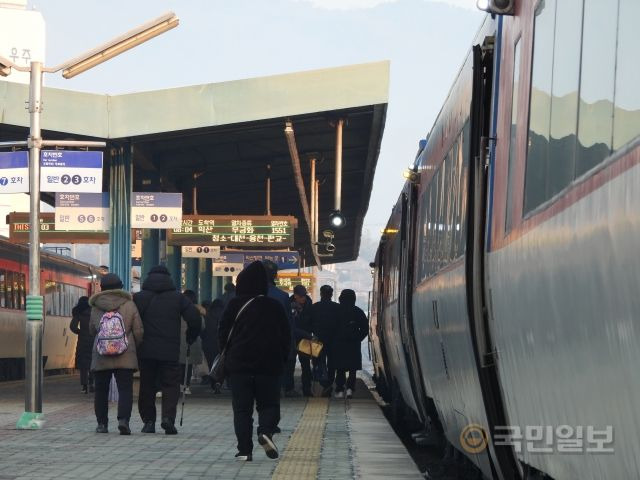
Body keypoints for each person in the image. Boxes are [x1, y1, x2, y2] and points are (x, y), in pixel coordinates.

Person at [218, 261, 290, 461]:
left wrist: (228, 356)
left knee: (242, 410)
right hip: (269, 366)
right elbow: (286, 336)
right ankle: (265, 431)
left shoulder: (234, 304)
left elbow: (222, 333)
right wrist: (283, 360)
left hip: (239, 366)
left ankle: (244, 451)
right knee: (269, 405)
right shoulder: (275, 306)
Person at [133, 265, 201, 435]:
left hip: (145, 351)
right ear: (169, 279)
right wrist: (191, 335)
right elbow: (194, 318)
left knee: (147, 386)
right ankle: (168, 419)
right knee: (171, 385)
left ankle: (149, 422)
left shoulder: (139, 298)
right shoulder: (178, 298)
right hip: (170, 351)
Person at [89, 273, 143, 435]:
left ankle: (102, 424)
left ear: (102, 288)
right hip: (125, 353)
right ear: (120, 287)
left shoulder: (96, 306)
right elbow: (139, 331)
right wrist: (133, 346)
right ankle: (123, 421)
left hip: (102, 354)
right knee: (125, 389)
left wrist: (103, 340)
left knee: (101, 391)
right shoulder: (129, 304)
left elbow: (92, 330)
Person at [262, 260, 299, 398]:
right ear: (275, 276)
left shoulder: (245, 294)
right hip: (274, 343)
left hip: (250, 344)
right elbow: (288, 324)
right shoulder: (282, 297)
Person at [331, 289, 369, 399]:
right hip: (353, 345)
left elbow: (330, 328)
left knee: (340, 368)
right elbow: (365, 329)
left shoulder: (336, 311)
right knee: (352, 369)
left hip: (338, 345)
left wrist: (334, 339)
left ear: (341, 298)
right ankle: (350, 389)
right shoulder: (358, 312)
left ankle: (339, 389)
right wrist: (357, 338)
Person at [310, 285, 341, 396]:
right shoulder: (337, 308)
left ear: (321, 294)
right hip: (333, 341)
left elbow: (309, 324)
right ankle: (329, 383)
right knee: (332, 363)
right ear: (331, 294)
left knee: (319, 362)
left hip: (318, 340)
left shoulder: (314, 307)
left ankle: (324, 383)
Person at [180, 290, 206, 394]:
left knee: (178, 364)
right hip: (192, 340)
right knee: (188, 365)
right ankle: (186, 386)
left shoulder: (178, 309)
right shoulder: (198, 311)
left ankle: (179, 384)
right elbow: (202, 326)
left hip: (178, 340)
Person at [290, 285, 314, 397]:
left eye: (304, 295)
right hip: (292, 339)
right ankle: (289, 388)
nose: (303, 298)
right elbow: (291, 326)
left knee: (306, 365)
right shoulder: (288, 304)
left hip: (305, 339)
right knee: (290, 364)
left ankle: (307, 389)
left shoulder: (310, 305)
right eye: (301, 296)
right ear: (295, 296)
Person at [70, 296, 94, 394]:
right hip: (93, 340)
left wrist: (79, 332)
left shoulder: (79, 313)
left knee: (83, 365)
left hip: (83, 341)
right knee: (92, 363)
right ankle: (92, 384)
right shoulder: (94, 311)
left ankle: (84, 387)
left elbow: (72, 326)